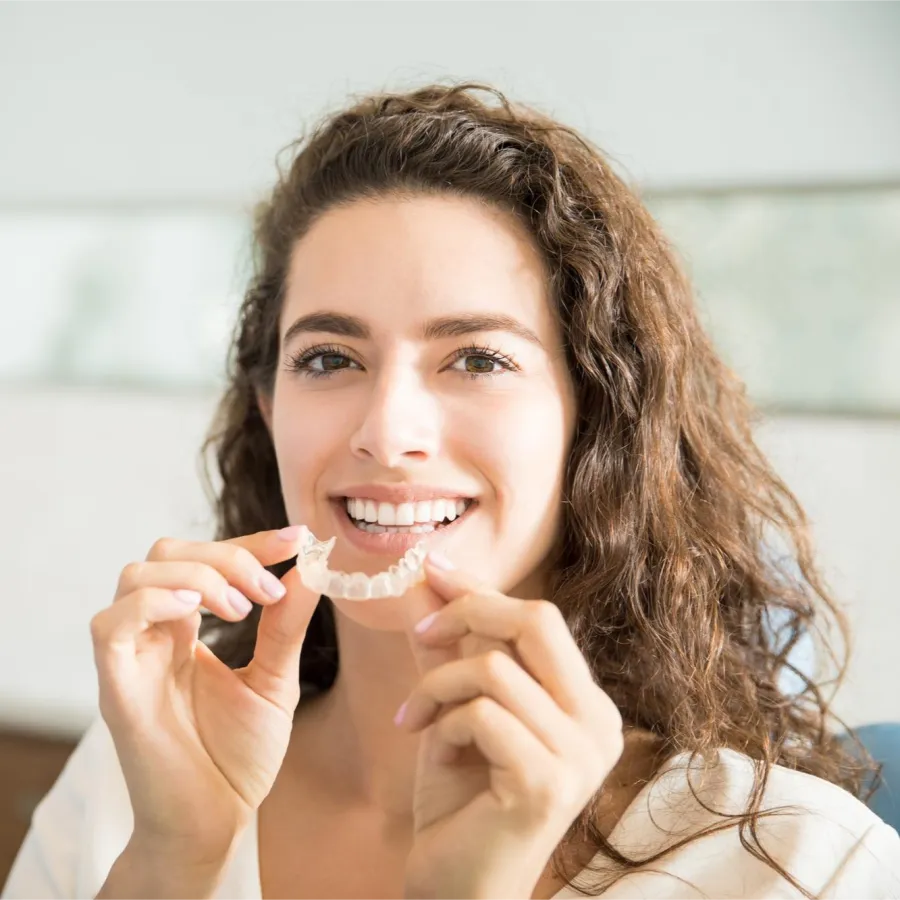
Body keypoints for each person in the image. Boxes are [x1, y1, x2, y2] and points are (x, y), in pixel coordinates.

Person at [4, 82, 899, 900]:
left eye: (477, 358)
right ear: (269, 408)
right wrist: (170, 860)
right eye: (329, 358)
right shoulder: (134, 784)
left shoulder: (802, 866)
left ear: (596, 417)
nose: (388, 433)